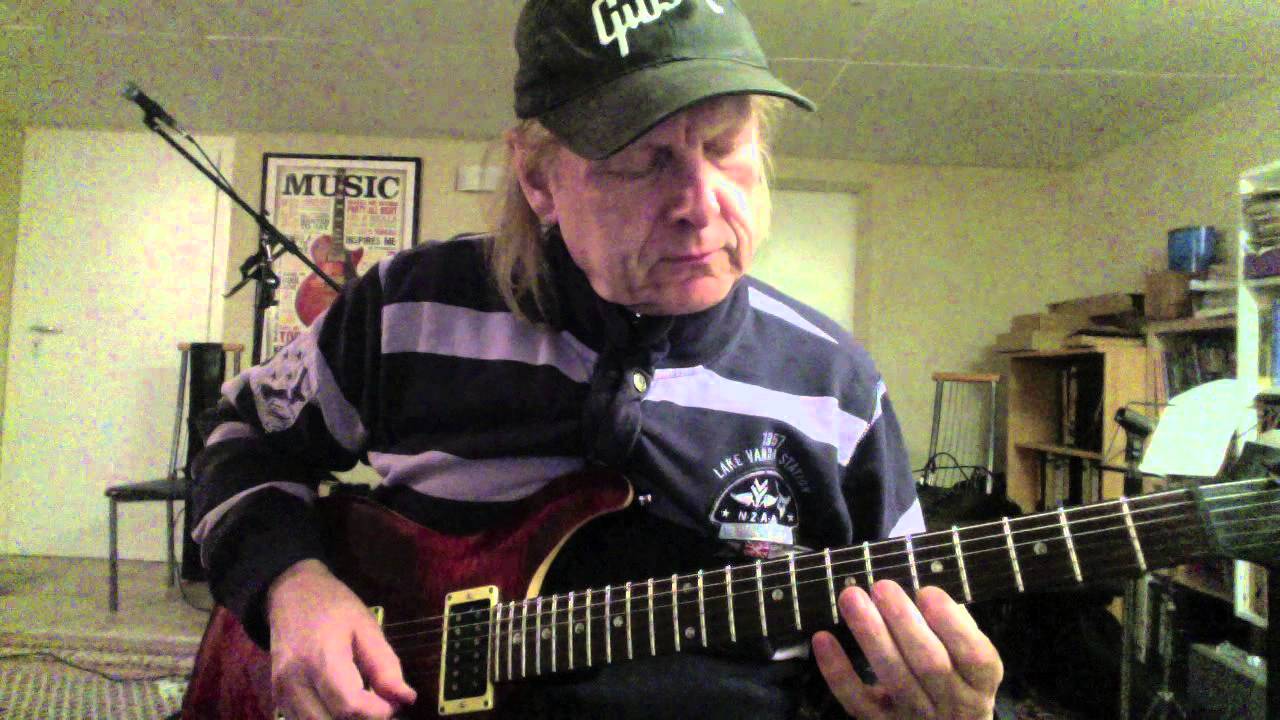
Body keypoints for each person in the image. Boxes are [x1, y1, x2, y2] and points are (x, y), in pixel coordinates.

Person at [190, 1, 1003, 718]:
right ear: (538, 178)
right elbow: (240, 437)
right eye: (643, 161)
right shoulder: (409, 307)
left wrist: (944, 706)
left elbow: (900, 644)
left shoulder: (837, 385)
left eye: (726, 146)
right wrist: (292, 584)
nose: (701, 205)